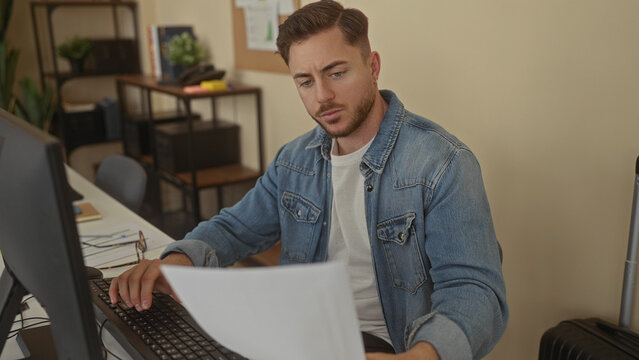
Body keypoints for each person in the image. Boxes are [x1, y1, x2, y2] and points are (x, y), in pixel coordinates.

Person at [110, 1, 508, 359]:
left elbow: (474, 291)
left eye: (336, 73)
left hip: (391, 346)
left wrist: (422, 357)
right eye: (305, 81)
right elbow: (235, 228)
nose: (322, 97)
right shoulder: (295, 160)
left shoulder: (442, 163)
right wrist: (177, 262)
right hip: (299, 338)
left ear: (372, 66)